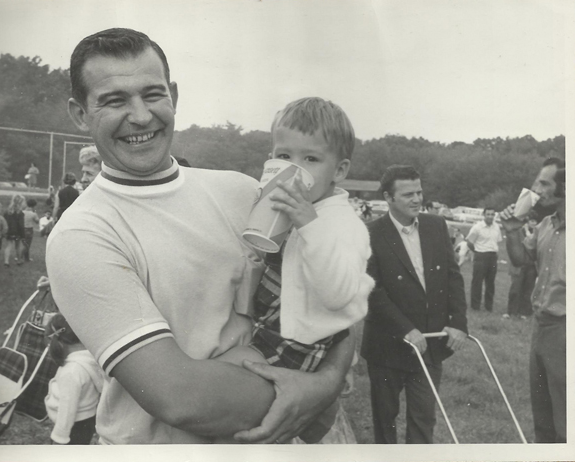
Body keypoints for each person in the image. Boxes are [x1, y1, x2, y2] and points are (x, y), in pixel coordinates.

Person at [47, 28, 355, 445]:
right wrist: (316, 391)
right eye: (115, 100)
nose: (140, 116)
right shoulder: (82, 234)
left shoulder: (243, 191)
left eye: (153, 94)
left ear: (173, 94)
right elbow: (181, 399)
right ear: (80, 113)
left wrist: (328, 380)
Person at [216, 97, 374, 443]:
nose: (294, 167)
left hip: (294, 345)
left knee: (214, 380)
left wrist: (308, 224)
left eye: (311, 159)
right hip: (268, 327)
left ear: (341, 170)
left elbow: (338, 295)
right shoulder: (291, 209)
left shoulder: (341, 224)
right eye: (284, 157)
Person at [361, 165, 468, 444]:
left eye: (419, 192)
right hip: (387, 345)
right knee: (385, 421)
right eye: (408, 194)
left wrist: (458, 323)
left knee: (424, 420)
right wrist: (405, 329)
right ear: (389, 197)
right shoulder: (370, 234)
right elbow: (372, 290)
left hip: (430, 344)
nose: (417, 199)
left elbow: (452, 277)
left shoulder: (436, 225)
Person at [499, 157, 565, 443]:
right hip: (541, 327)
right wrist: (513, 229)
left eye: (544, 183)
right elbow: (520, 260)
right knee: (543, 416)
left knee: (566, 418)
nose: (536, 189)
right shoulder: (545, 226)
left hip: (565, 330)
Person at [44, 313, 104, 445]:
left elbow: (68, 408)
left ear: (59, 342)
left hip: (72, 426)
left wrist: (59, 438)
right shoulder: (90, 359)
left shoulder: (71, 371)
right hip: (86, 422)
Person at [466, 207, 503, 312]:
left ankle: (488, 306)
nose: (490, 216)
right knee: (477, 282)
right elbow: (470, 242)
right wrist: (478, 251)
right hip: (481, 256)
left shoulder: (496, 227)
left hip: (493, 257)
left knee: (490, 283)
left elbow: (497, 242)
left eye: (492, 214)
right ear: (484, 215)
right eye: (488, 214)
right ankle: (475, 306)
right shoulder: (477, 227)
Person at [503, 213, 538, 320]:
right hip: (519, 265)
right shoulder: (518, 231)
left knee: (529, 289)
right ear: (527, 222)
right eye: (531, 221)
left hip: (532, 265)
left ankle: (525, 312)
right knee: (515, 288)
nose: (533, 223)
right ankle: (511, 311)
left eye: (535, 221)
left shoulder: (538, 233)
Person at [4, 194, 26, 266]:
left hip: (9, 230)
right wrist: (23, 235)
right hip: (17, 232)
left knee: (9, 246)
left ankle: (6, 261)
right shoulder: (20, 213)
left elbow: (5, 221)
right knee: (17, 246)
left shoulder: (7, 211)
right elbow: (21, 225)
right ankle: (19, 260)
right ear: (20, 203)